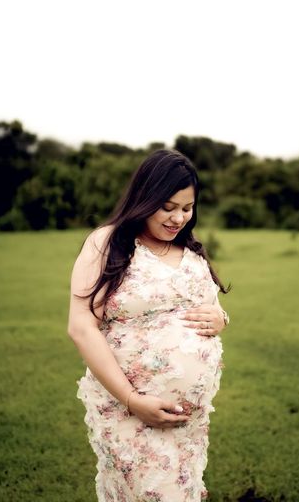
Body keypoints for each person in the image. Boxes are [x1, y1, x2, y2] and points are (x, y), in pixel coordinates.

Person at [68, 148, 230, 502]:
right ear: (145, 198)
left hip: (187, 424)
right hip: (128, 410)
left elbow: (210, 308)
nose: (178, 218)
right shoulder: (108, 244)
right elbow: (81, 326)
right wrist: (132, 399)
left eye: (187, 208)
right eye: (168, 207)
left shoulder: (191, 251)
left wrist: (221, 318)